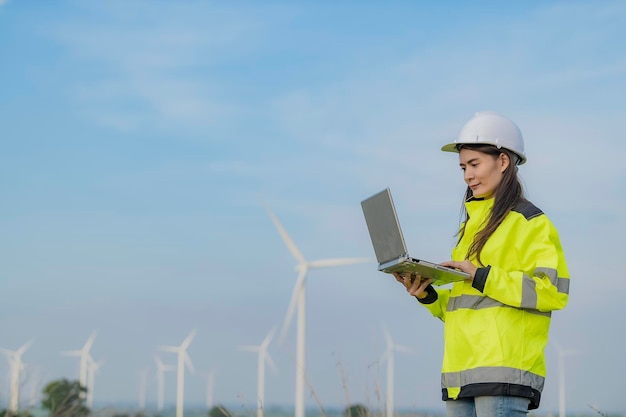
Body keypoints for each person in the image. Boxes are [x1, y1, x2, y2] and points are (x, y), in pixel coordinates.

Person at [393, 111, 570, 417]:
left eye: (474, 164)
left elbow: (551, 291)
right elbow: (468, 306)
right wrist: (428, 295)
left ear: (503, 162)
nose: (467, 175)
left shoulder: (530, 222)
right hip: (461, 374)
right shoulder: (470, 228)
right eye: (463, 167)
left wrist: (482, 275)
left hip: (503, 373)